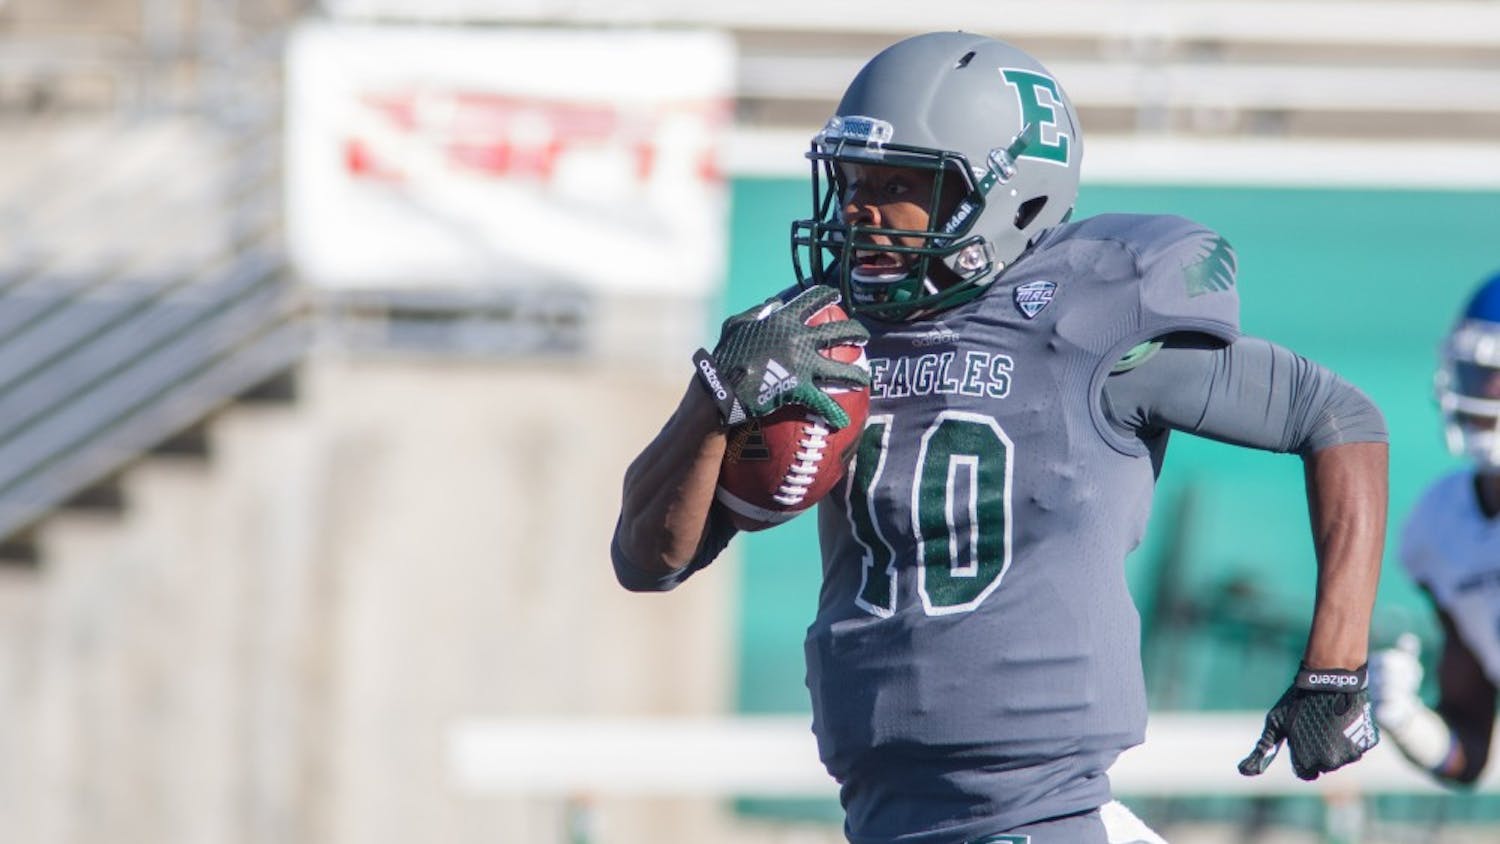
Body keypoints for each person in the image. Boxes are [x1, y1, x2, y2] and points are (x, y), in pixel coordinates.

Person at [612, 31, 1388, 843]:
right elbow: (645, 559)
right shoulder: (820, 340)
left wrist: (1335, 667)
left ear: (1004, 194)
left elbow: (1339, 419)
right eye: (851, 180)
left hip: (1040, 815)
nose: (857, 210)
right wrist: (715, 397)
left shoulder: (1087, 319)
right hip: (883, 814)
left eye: (900, 183)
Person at [1369, 271, 1500, 786]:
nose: (1486, 395)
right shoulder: (1443, 525)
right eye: (1478, 374)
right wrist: (1408, 722)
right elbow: (1466, 753)